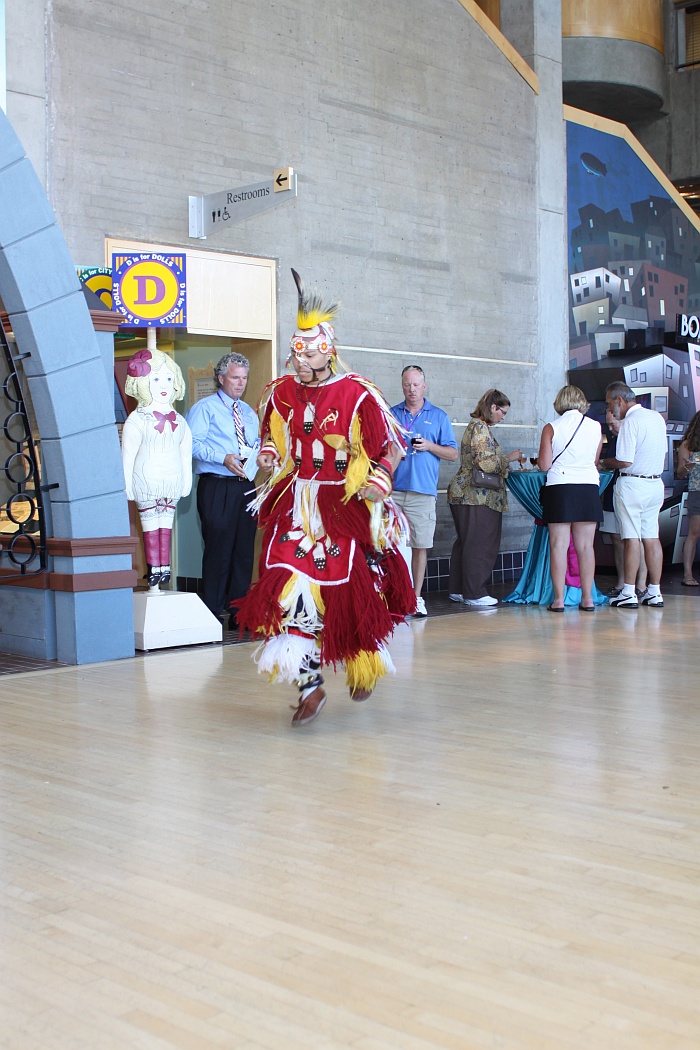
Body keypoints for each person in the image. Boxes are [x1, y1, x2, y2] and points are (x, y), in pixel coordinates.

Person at [236, 270, 415, 727]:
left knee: (346, 593)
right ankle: (309, 686)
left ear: (328, 350)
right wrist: (269, 452)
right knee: (287, 591)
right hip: (296, 504)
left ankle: (362, 664)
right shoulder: (281, 393)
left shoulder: (357, 394)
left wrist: (380, 478)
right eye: (296, 350)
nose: (300, 359)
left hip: (343, 506)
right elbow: (273, 435)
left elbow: (388, 447)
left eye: (309, 351)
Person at [185, 352, 260, 625]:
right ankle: (212, 613)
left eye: (244, 378)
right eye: (235, 378)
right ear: (221, 378)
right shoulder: (204, 408)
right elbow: (191, 445)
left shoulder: (248, 412)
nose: (241, 383)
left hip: (246, 487)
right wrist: (222, 458)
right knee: (219, 550)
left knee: (243, 551)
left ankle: (240, 614)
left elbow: (254, 444)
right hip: (217, 485)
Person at [122, 344, 192, 587]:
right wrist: (127, 483)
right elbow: (128, 454)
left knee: (166, 524)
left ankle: (164, 566)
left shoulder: (180, 421)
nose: (164, 385)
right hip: (146, 480)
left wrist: (187, 479)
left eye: (168, 378)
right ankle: (153, 567)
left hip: (171, 480)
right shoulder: (136, 420)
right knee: (151, 525)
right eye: (156, 379)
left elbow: (185, 453)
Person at [390, 366, 458, 618]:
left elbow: (453, 454)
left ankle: (416, 598)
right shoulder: (392, 414)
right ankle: (393, 596)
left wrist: (429, 446)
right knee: (389, 546)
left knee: (420, 545)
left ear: (424, 386)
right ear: (402, 386)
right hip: (393, 491)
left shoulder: (438, 416)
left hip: (423, 492)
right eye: (407, 385)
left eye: (416, 385)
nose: (412, 390)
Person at [447, 389, 522, 606]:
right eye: (502, 412)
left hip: (463, 494)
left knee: (466, 542)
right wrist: (508, 459)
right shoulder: (480, 428)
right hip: (477, 496)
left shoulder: (475, 426)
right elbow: (485, 463)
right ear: (493, 407)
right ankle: (475, 593)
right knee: (480, 543)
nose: (503, 417)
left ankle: (459, 589)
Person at [601, 381, 668, 609]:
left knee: (631, 538)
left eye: (610, 404)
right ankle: (654, 591)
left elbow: (624, 461)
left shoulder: (630, 421)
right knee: (651, 537)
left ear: (619, 400)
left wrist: (604, 462)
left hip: (632, 484)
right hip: (655, 483)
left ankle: (629, 592)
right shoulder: (656, 417)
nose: (611, 409)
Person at [537, 385, 603, 611]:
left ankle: (558, 600)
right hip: (588, 487)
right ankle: (588, 598)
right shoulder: (595, 427)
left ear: (559, 403)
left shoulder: (551, 427)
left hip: (560, 487)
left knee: (559, 545)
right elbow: (595, 461)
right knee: (586, 547)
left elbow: (544, 465)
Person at [599, 408, 647, 598]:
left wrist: (605, 462)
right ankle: (622, 581)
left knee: (635, 537)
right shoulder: (613, 440)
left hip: (629, 489)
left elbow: (624, 462)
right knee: (616, 538)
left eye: (613, 424)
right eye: (609, 425)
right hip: (612, 491)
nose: (611, 429)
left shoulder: (630, 436)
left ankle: (640, 583)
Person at [676, 410, 700, 587]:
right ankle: (688, 574)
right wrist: (688, 467)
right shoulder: (688, 445)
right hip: (697, 491)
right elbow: (679, 472)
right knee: (694, 533)